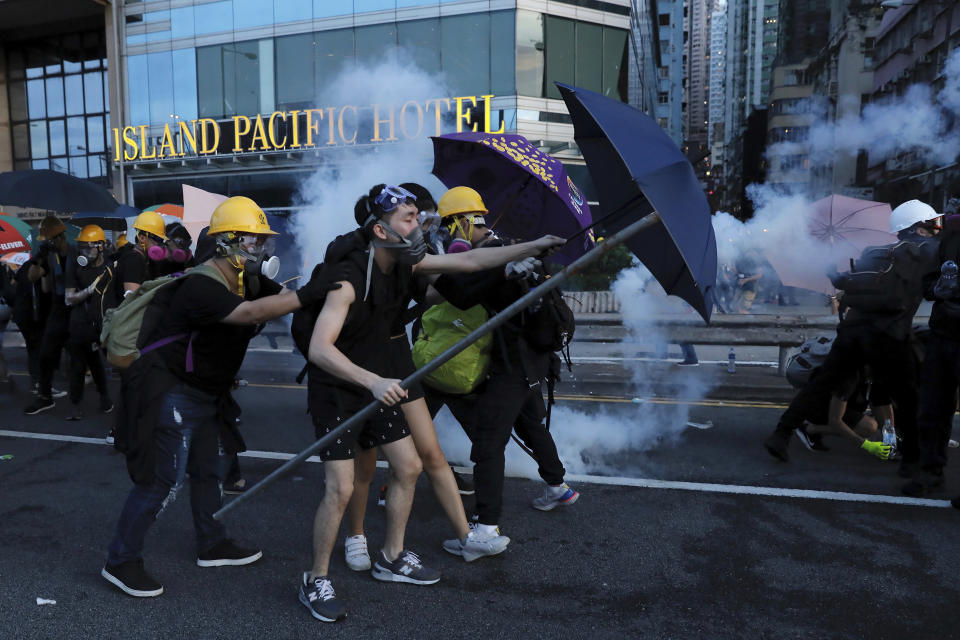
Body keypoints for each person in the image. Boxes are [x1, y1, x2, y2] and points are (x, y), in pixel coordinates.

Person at [299, 184, 563, 623]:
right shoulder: (348, 277)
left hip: (382, 376)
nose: (420, 223)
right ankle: (316, 578)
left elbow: (471, 260)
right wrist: (371, 381)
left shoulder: (408, 263)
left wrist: (534, 246)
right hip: (341, 385)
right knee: (342, 487)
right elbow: (319, 349)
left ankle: (393, 555)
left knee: (410, 466)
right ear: (381, 231)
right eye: (408, 218)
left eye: (418, 215)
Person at [101, 196, 338, 599]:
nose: (260, 249)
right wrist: (309, 294)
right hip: (171, 391)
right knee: (163, 482)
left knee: (209, 471)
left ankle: (211, 543)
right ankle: (121, 560)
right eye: (252, 240)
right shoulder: (200, 284)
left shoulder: (244, 279)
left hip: (207, 395)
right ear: (227, 241)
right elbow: (249, 314)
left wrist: (320, 281)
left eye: (262, 241)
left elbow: (274, 296)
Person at [424, 187, 580, 530]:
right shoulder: (505, 246)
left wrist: (428, 264)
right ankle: (558, 486)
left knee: (487, 444)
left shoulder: (497, 254)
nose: (446, 235)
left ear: (462, 223)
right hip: (532, 360)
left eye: (447, 226)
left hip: (514, 364)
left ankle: (485, 526)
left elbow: (462, 297)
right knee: (528, 423)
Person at [815, 200, 941, 479]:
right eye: (933, 225)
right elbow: (837, 418)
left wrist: (891, 438)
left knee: (898, 393)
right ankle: (803, 428)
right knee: (875, 420)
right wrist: (867, 445)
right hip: (869, 357)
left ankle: (914, 446)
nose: (936, 232)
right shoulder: (858, 345)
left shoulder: (901, 261)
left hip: (885, 342)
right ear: (917, 230)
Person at [905, 207, 960, 496]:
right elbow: (928, 281)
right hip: (944, 332)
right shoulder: (951, 234)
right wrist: (938, 287)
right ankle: (930, 472)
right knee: (933, 407)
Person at [763, 366, 892, 462]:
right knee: (868, 426)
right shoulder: (849, 376)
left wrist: (891, 440)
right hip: (821, 407)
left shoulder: (878, 373)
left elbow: (882, 405)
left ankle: (791, 431)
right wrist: (867, 445)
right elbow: (835, 420)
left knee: (874, 416)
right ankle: (809, 429)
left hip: (842, 401)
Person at [63, 225, 114, 421]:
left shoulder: (109, 267)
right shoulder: (76, 266)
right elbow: (69, 298)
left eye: (88, 247)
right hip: (80, 324)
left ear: (101, 246)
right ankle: (75, 405)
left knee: (98, 362)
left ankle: (106, 398)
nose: (84, 252)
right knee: (77, 365)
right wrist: (89, 290)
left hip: (102, 324)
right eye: (81, 247)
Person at [23, 216, 72, 415]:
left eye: (51, 240)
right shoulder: (49, 256)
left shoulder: (76, 252)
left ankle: (104, 396)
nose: (49, 243)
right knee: (46, 354)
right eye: (47, 241)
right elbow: (35, 279)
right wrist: (37, 259)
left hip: (77, 306)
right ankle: (45, 396)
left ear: (61, 237)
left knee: (88, 353)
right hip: (58, 308)